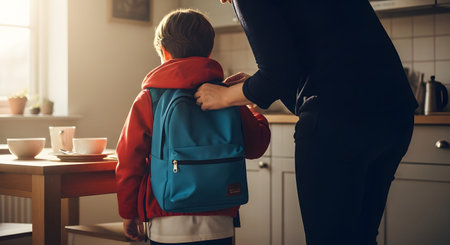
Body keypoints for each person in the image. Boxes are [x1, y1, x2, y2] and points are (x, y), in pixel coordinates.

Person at [194, 1, 418, 244]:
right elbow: (292, 70)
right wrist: (253, 87)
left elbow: (276, 76)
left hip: (339, 118)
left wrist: (225, 96)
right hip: (395, 113)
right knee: (361, 236)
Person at [115, 9, 271, 245]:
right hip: (220, 220)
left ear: (164, 52)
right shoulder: (226, 96)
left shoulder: (150, 99)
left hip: (166, 219)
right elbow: (256, 146)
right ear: (208, 51)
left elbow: (128, 160)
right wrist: (251, 108)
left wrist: (128, 211)